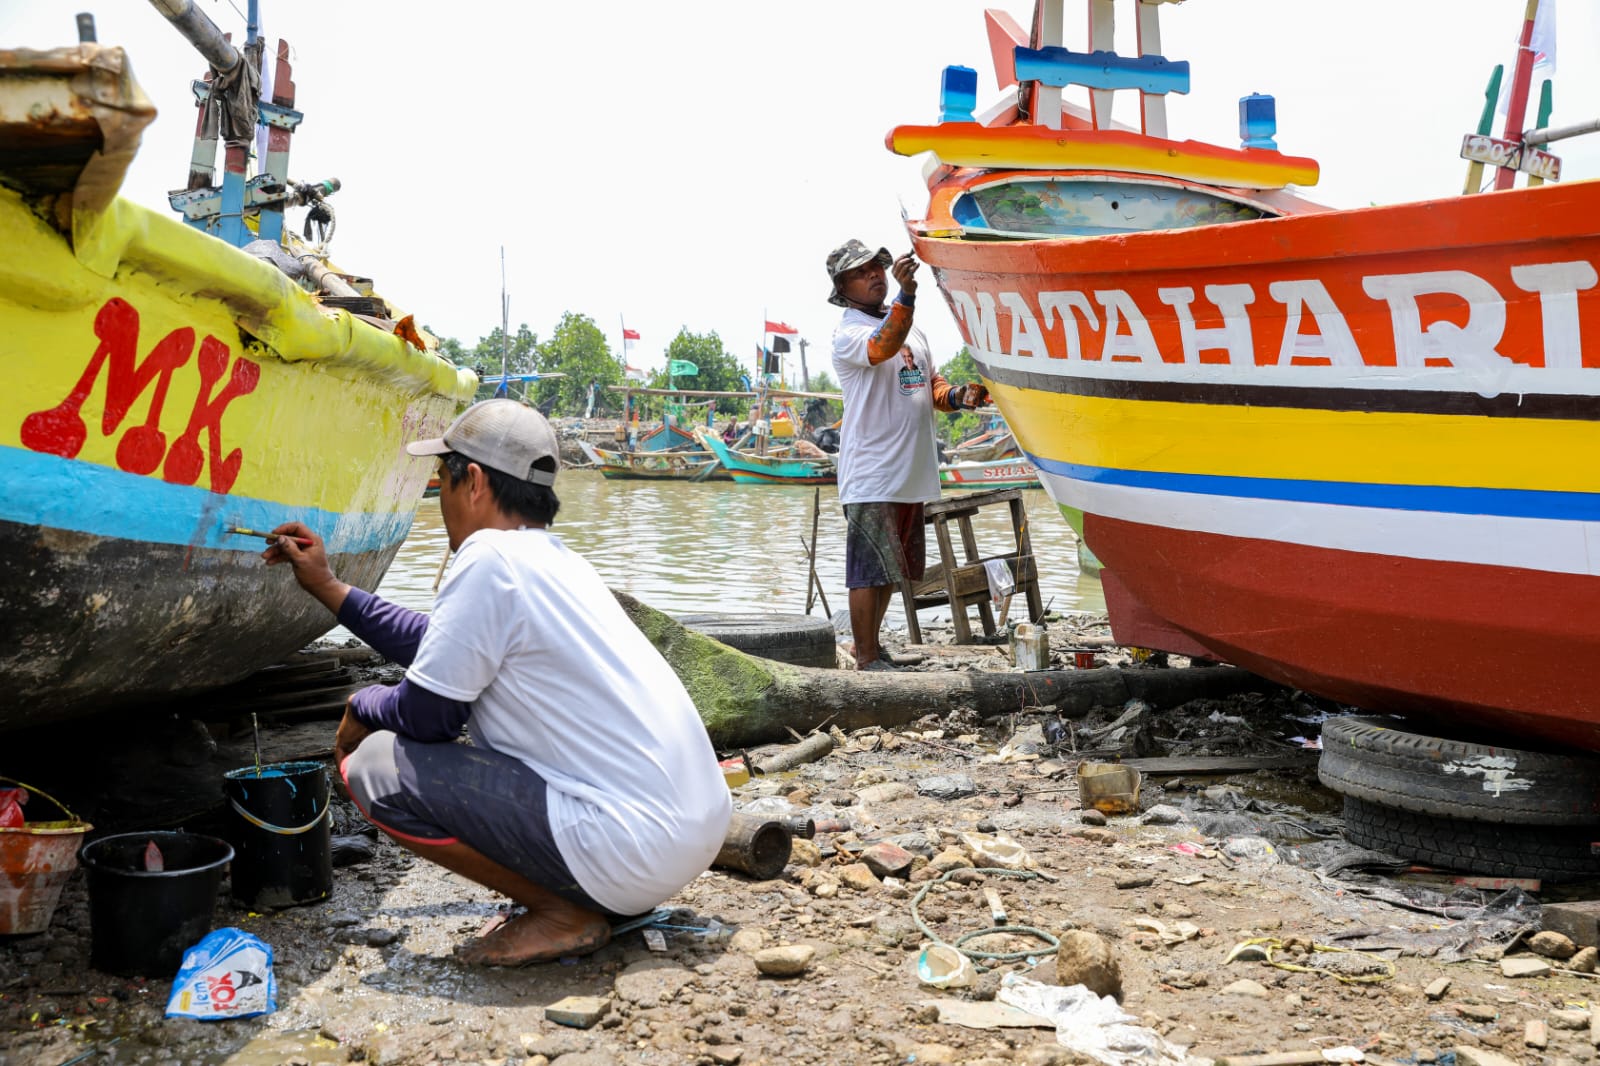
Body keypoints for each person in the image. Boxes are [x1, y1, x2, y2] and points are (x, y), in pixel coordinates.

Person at [263, 399, 732, 966]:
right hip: (684, 837)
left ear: (475, 481)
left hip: (631, 848)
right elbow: (439, 642)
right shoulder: (552, 559)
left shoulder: (487, 558)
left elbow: (430, 717)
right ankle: (589, 895)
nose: (439, 497)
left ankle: (562, 914)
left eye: (441, 478)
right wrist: (329, 586)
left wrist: (364, 704)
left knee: (376, 767)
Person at [827, 239, 988, 671]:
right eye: (862, 272)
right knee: (868, 570)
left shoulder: (912, 329)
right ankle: (864, 657)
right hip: (873, 470)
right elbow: (881, 346)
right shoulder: (851, 332)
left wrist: (958, 396)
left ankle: (875, 649)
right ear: (844, 286)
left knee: (891, 569)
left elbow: (929, 385)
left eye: (877, 266)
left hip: (909, 471)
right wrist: (908, 294)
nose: (875, 274)